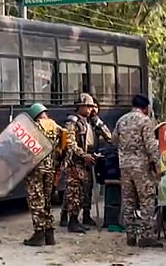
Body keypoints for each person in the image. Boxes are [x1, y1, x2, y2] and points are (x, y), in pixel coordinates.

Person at [112, 94, 163, 248]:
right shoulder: (145, 121)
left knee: (128, 201)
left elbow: (114, 140)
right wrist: (157, 165)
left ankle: (131, 235)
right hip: (141, 168)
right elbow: (151, 145)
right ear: (145, 108)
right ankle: (146, 236)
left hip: (125, 167)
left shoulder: (121, 120)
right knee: (146, 200)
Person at [23, 103, 63, 246]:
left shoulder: (35, 126)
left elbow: (25, 147)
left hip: (35, 169)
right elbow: (65, 142)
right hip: (50, 168)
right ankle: (49, 234)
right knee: (46, 200)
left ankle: (39, 234)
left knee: (36, 201)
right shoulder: (55, 126)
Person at [61, 93, 97, 233]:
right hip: (74, 163)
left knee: (82, 193)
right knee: (73, 193)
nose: (90, 109)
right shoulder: (72, 122)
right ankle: (72, 221)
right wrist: (84, 155)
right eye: (88, 106)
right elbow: (71, 143)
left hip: (85, 162)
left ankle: (76, 219)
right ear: (80, 106)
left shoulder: (88, 121)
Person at [81, 100, 112, 226]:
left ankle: (86, 215)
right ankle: (66, 215)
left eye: (94, 107)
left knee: (88, 187)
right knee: (73, 190)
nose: (92, 110)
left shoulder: (95, 123)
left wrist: (97, 121)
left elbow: (109, 137)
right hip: (80, 157)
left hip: (92, 157)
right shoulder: (80, 121)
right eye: (90, 107)